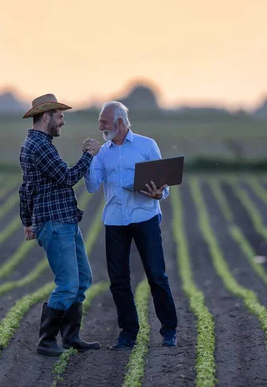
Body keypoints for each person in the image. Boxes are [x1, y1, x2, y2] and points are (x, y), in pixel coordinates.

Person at [84, 101, 178, 350]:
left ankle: (169, 330)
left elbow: (163, 185)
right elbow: (93, 185)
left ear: (120, 123)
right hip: (115, 220)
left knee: (156, 275)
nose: (100, 127)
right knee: (118, 281)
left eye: (104, 122)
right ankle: (128, 333)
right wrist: (88, 159)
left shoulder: (147, 145)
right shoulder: (102, 152)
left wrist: (159, 193)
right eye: (99, 123)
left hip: (145, 216)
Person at [19, 93, 102, 356]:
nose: (63, 122)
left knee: (82, 280)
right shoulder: (40, 146)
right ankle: (46, 342)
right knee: (67, 284)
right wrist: (88, 155)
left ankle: (71, 337)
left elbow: (26, 188)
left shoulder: (36, 143)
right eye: (60, 116)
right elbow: (67, 178)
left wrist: (27, 220)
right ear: (46, 116)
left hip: (64, 220)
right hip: (55, 223)